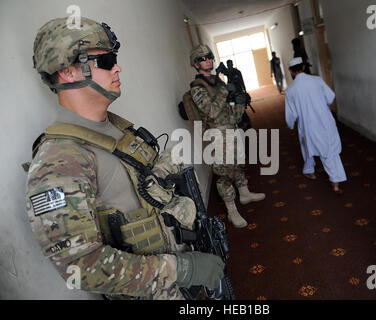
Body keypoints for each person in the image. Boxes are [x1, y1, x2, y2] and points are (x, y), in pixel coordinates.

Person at [25, 17, 225, 300]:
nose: (117, 67)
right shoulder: (59, 161)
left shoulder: (118, 126)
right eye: (105, 60)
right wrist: (181, 269)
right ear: (69, 71)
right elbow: (80, 267)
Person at [189, 45, 265, 228]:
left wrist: (239, 103)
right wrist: (226, 91)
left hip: (232, 128)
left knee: (239, 164)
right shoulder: (197, 89)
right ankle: (232, 211)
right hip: (217, 135)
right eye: (202, 58)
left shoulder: (218, 82)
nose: (207, 60)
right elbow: (212, 112)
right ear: (195, 64)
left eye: (209, 56)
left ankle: (244, 193)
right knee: (223, 174)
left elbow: (232, 113)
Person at [285, 57, 347, 193]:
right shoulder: (317, 80)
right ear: (304, 66)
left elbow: (291, 114)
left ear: (290, 71)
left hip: (307, 125)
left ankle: (310, 171)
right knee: (328, 151)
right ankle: (334, 182)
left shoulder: (290, 90)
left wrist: (290, 125)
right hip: (325, 121)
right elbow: (330, 97)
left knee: (307, 147)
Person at [224, 59, 252, 130]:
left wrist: (244, 91)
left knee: (241, 109)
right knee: (235, 110)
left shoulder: (237, 72)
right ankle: (241, 125)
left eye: (230, 64)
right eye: (228, 65)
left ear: (232, 64)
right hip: (232, 95)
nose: (229, 66)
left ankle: (247, 123)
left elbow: (242, 81)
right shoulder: (228, 72)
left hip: (239, 93)